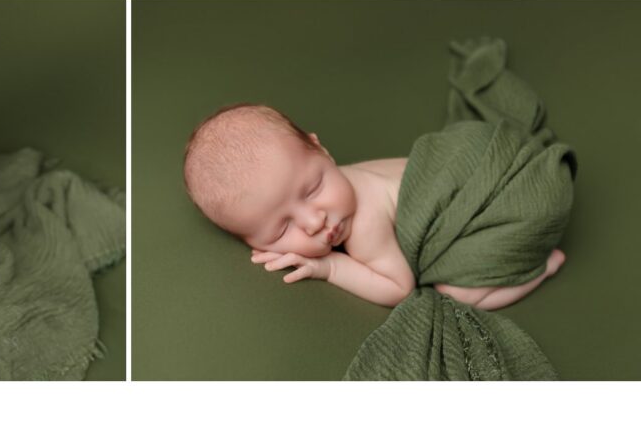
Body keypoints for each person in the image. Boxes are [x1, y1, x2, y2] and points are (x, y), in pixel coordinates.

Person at [183, 103, 564, 309]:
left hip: (514, 203)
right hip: (493, 158)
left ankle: (540, 268)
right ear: (255, 244)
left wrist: (331, 267)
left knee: (455, 295)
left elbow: (400, 288)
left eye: (313, 189)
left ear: (321, 150)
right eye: (282, 229)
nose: (315, 221)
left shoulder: (364, 225)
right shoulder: (340, 178)